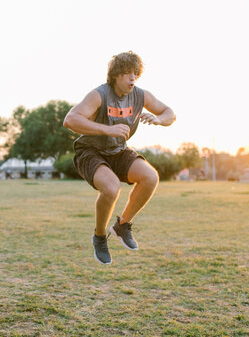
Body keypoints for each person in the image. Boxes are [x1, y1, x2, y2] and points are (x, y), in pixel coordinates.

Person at [63, 51, 176, 265]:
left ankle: (122, 225)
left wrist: (159, 119)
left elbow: (170, 112)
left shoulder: (141, 96)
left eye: (135, 73)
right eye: (126, 73)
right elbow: (71, 120)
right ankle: (99, 237)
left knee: (150, 177)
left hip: (118, 150)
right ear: (115, 76)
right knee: (112, 188)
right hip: (90, 151)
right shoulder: (100, 94)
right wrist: (107, 129)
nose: (132, 78)